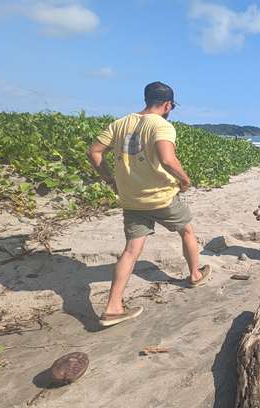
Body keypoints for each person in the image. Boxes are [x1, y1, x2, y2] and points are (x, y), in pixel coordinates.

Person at [87, 81, 211, 327]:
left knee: (131, 250)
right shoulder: (162, 125)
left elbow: (94, 152)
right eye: (171, 106)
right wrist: (185, 180)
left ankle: (112, 307)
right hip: (161, 196)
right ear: (167, 105)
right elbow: (167, 159)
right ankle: (195, 275)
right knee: (186, 230)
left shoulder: (120, 123)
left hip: (131, 198)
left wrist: (110, 179)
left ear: (146, 99)